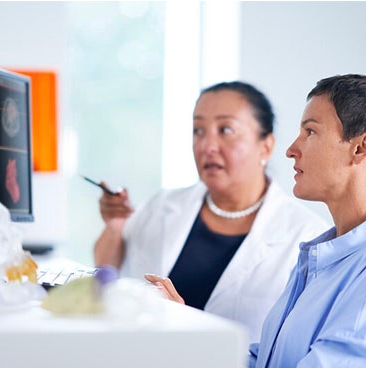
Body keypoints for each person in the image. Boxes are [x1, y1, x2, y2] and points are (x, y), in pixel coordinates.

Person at [94, 81, 328, 344]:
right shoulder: (164, 205)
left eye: (225, 130)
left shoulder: (308, 237)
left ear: (266, 145)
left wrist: (180, 322)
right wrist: (115, 227)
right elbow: (106, 273)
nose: (207, 146)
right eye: (198, 130)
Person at [249, 74, 366, 368]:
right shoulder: (318, 259)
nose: (291, 150)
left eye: (310, 132)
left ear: (360, 147)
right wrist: (192, 332)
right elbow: (267, 361)